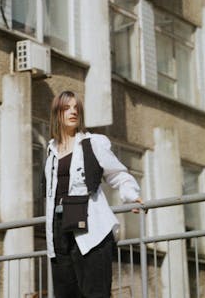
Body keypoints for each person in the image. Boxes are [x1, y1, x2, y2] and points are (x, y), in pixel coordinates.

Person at [45, 90, 143, 298]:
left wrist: (131, 196)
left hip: (92, 232)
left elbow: (118, 174)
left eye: (76, 108)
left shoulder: (93, 143)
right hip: (59, 234)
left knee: (95, 293)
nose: (73, 112)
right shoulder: (51, 150)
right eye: (66, 108)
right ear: (56, 114)